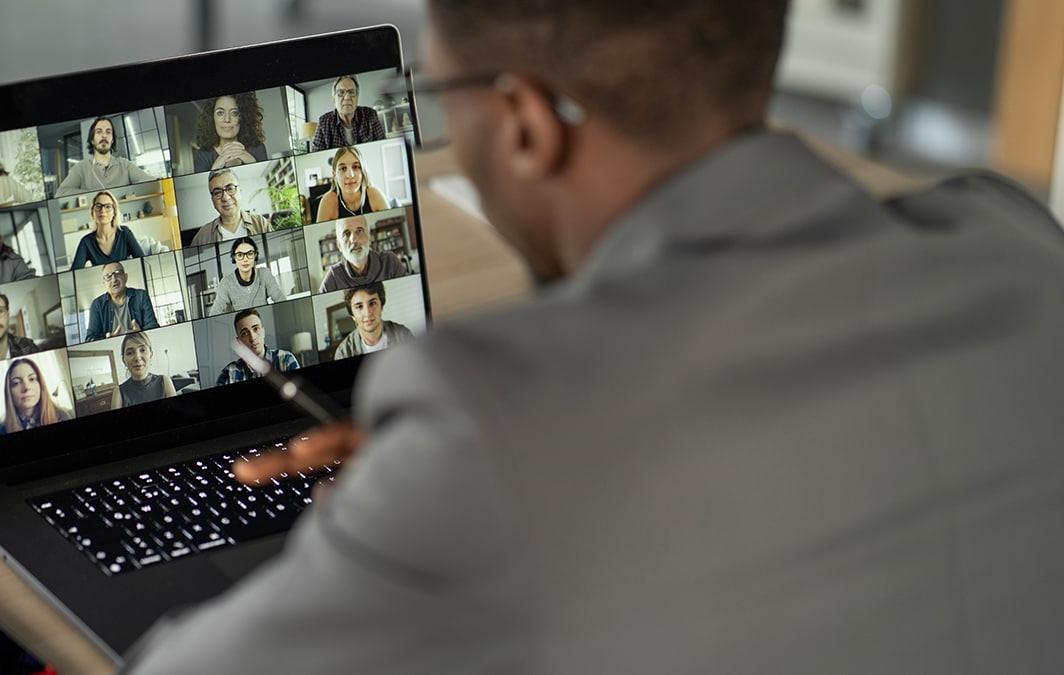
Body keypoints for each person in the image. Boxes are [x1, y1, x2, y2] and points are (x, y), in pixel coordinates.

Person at [126, 1, 1064, 673]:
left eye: (448, 96)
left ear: (529, 123)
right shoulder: (1018, 243)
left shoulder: (490, 424)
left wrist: (412, 511)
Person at [55, 117, 155, 197]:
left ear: (112, 140)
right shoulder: (81, 168)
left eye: (108, 132)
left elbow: (150, 181)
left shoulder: (125, 165)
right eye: (99, 132)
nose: (104, 136)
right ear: (92, 140)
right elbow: (61, 193)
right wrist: (93, 195)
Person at [317, 215, 406, 292]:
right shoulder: (333, 277)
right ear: (339, 245)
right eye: (346, 234)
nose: (354, 240)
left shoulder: (390, 261)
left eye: (359, 231)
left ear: (369, 238)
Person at [189, 168, 272, 246]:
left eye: (230, 188)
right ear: (213, 201)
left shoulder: (260, 223)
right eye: (217, 193)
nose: (225, 198)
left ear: (240, 192)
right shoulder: (202, 236)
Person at [216, 308, 299, 385]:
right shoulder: (228, 373)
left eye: (256, 329)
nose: (252, 338)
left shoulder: (286, 360)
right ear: (239, 342)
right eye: (245, 333)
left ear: (263, 332)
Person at [333, 282, 413, 359]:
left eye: (372, 303)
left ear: (381, 306)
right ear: (352, 315)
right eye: (359, 307)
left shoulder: (403, 335)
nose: (367, 313)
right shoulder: (343, 353)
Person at [84, 262, 159, 342]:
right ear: (104, 283)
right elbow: (90, 338)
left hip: (140, 344)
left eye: (117, 273)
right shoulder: (97, 305)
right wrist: (107, 340)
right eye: (108, 276)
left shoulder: (141, 296)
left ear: (125, 277)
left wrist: (140, 334)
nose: (114, 279)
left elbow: (153, 326)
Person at [69, 190, 145, 269]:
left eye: (108, 206)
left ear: (114, 212)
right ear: (93, 212)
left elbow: (143, 261)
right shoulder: (86, 242)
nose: (102, 210)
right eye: (98, 206)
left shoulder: (125, 233)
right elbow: (74, 272)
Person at [193, 93, 268, 172]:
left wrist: (252, 162)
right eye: (220, 113)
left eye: (234, 113)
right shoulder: (202, 155)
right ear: (212, 118)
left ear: (243, 117)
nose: (227, 119)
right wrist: (216, 167)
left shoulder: (258, 148)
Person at [210, 236, 286, 314]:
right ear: (234, 258)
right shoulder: (226, 283)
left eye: (250, 254)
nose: (245, 259)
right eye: (240, 255)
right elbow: (215, 310)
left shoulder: (264, 274)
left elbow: (280, 299)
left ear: (255, 256)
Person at [311, 75, 387, 152]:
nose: (347, 97)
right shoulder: (324, 122)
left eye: (351, 92)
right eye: (341, 93)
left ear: (357, 98)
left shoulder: (370, 115)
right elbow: (316, 155)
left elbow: (383, 146)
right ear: (334, 100)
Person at [314, 145, 390, 223]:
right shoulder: (328, 201)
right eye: (343, 169)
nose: (350, 175)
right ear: (335, 176)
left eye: (356, 167)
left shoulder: (374, 194)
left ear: (362, 172)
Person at [0, 358, 71, 434]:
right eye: (16, 383)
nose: (26, 387)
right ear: (9, 392)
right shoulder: (2, 430)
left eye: (31, 379)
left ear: (40, 384)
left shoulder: (61, 417)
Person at [113, 332, 177, 408]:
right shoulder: (119, 392)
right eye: (130, 353)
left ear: (151, 355)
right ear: (124, 360)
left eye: (142, 350)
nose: (137, 358)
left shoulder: (164, 381)